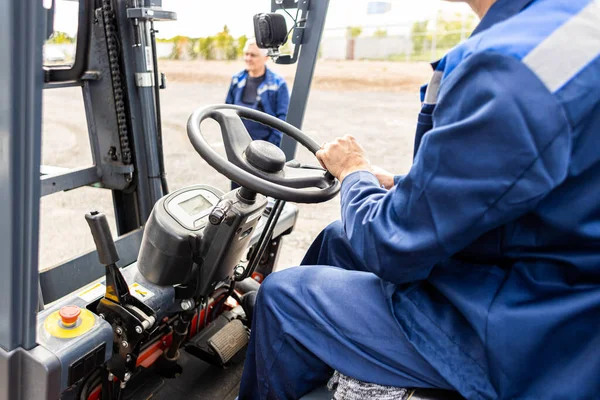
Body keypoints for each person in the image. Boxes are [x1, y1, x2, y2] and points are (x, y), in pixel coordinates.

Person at [238, 0, 600, 399]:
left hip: (521, 329)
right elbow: (507, 169)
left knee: (284, 298)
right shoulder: (566, 29)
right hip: (541, 272)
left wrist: (354, 171)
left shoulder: (511, 70)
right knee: (337, 238)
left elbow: (389, 244)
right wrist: (397, 182)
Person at [225, 39, 290, 188]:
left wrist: (270, 151)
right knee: (237, 190)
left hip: (264, 151)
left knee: (261, 192)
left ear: (266, 58)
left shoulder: (278, 84)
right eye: (246, 54)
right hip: (239, 149)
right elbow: (226, 111)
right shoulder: (236, 80)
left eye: (253, 55)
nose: (248, 58)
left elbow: (282, 120)